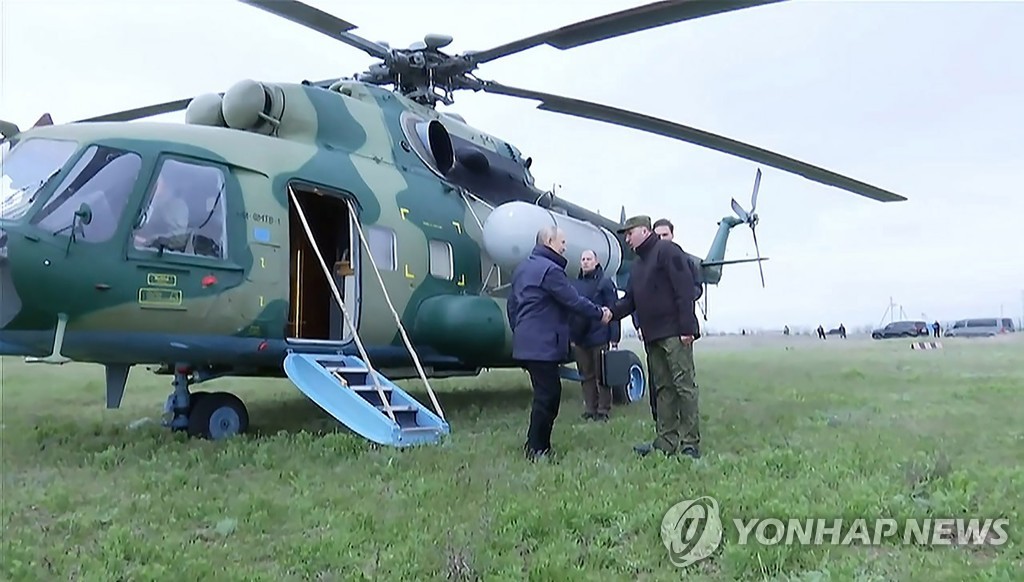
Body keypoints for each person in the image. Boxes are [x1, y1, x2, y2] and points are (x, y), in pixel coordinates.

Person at [506, 225, 611, 460]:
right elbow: (572, 300)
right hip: (543, 345)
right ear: (549, 241)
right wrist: (599, 313)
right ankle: (538, 449)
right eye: (561, 242)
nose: (564, 247)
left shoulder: (522, 268)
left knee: (544, 394)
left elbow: (512, 305)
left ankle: (534, 444)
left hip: (527, 344)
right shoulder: (550, 271)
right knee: (549, 396)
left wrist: (520, 331)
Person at [606, 215, 702, 459]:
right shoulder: (638, 265)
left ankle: (690, 443)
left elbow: (684, 289)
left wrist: (687, 328)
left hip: (675, 334)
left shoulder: (667, 251)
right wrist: (610, 312)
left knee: (684, 386)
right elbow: (630, 300)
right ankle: (666, 441)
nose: (626, 239)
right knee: (662, 389)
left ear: (644, 231)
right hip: (653, 336)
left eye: (629, 233)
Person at [569, 249, 621, 422]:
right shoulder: (575, 285)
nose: (585, 262)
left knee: (602, 375)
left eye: (589, 259)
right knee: (586, 375)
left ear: (596, 261)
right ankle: (590, 408)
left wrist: (614, 337)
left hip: (599, 336)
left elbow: (613, 309)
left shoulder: (605, 283)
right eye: (583, 259)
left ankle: (603, 409)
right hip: (580, 337)